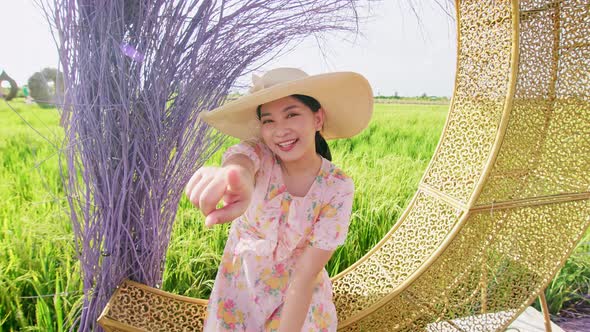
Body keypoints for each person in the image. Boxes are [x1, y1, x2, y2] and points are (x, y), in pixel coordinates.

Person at [185, 67, 373, 331]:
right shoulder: (262, 156)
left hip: (299, 298)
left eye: (292, 114)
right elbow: (243, 158)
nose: (279, 130)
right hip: (242, 288)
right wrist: (234, 174)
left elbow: (305, 275)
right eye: (268, 120)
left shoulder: (337, 187)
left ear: (317, 119)